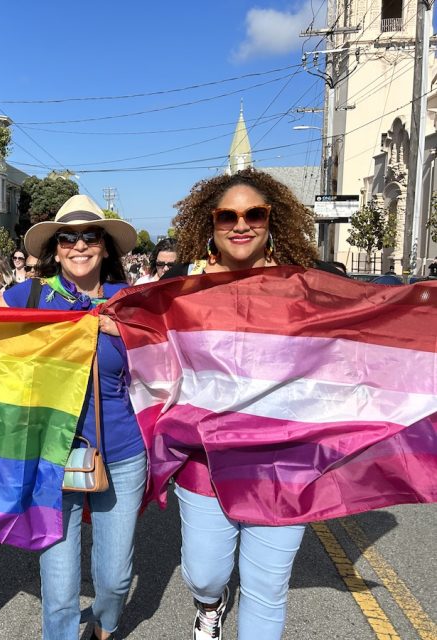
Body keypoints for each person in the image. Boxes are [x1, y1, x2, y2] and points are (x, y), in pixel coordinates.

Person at [163, 168, 345, 640]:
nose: (240, 224)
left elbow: (370, 330)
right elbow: (142, 338)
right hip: (205, 459)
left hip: (286, 464)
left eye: (254, 213)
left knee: (267, 586)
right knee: (205, 573)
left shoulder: (312, 286)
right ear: (211, 223)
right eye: (228, 215)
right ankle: (209, 604)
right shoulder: (180, 286)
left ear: (271, 219)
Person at [0, 194, 146, 640]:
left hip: (122, 453)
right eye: (67, 238)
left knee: (115, 580)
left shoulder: (130, 300)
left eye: (89, 236)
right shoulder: (30, 296)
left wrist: (132, 332)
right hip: (50, 453)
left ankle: (103, 625)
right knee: (59, 591)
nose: (79, 246)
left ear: (105, 245)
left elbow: (175, 350)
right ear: (55, 249)